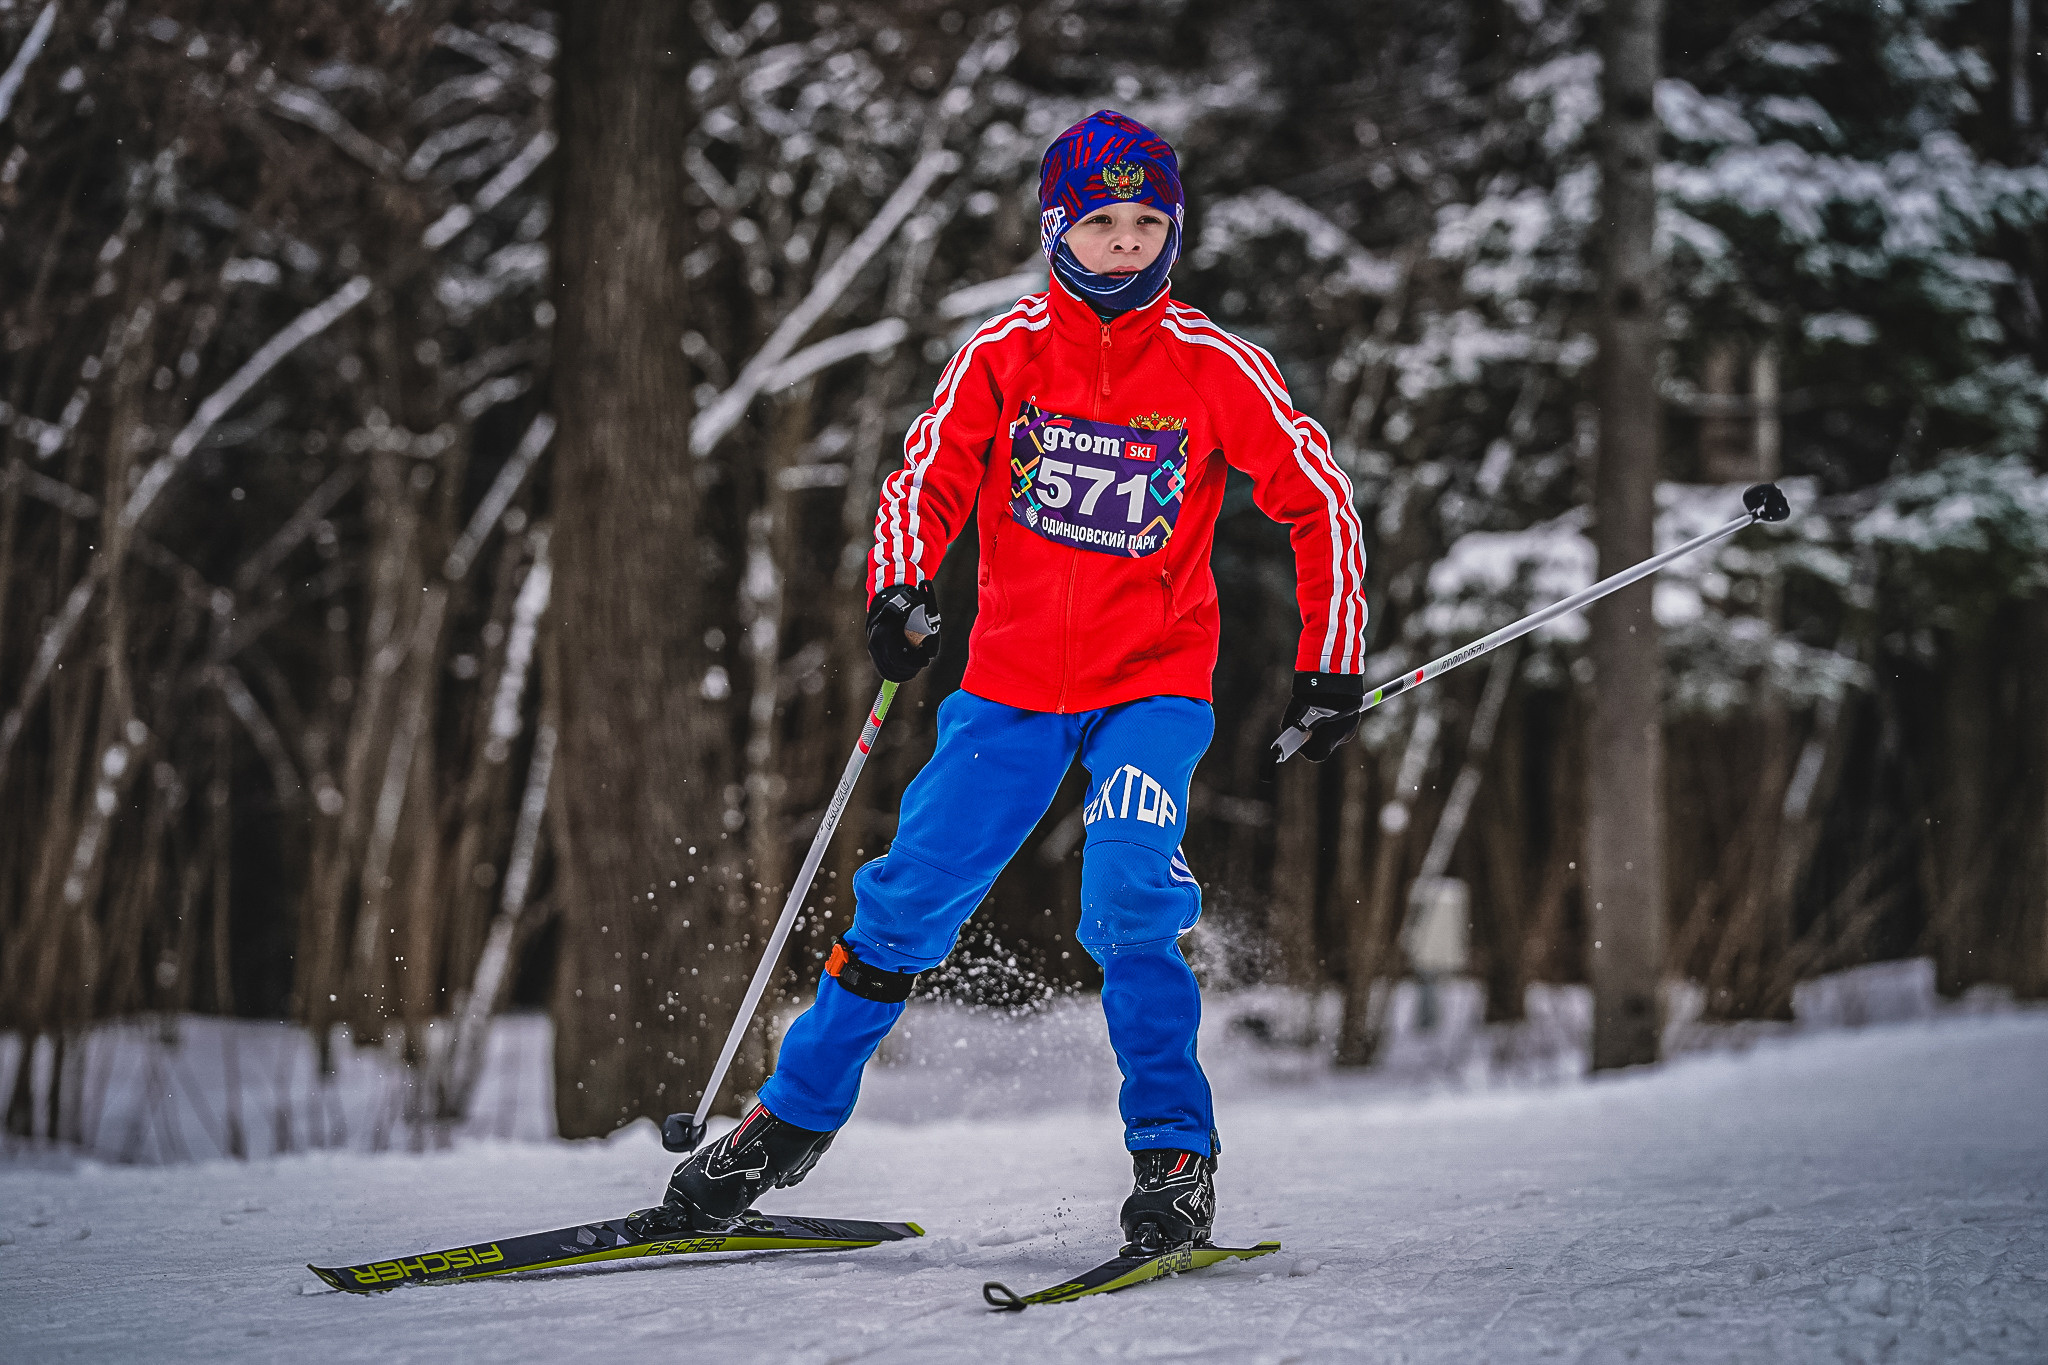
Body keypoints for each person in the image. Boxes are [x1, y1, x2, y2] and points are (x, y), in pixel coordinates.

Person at [644, 110, 1369, 1253]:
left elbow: (1317, 502)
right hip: (1009, 692)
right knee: (902, 903)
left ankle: (1174, 1158)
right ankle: (782, 1129)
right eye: (1098, 224)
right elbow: (919, 481)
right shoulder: (1001, 354)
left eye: (1146, 224)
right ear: (1055, 230)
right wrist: (899, 590)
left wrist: (1328, 665)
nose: (1123, 245)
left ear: (1172, 233)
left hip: (1152, 688)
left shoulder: (1214, 367)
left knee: (1128, 899)